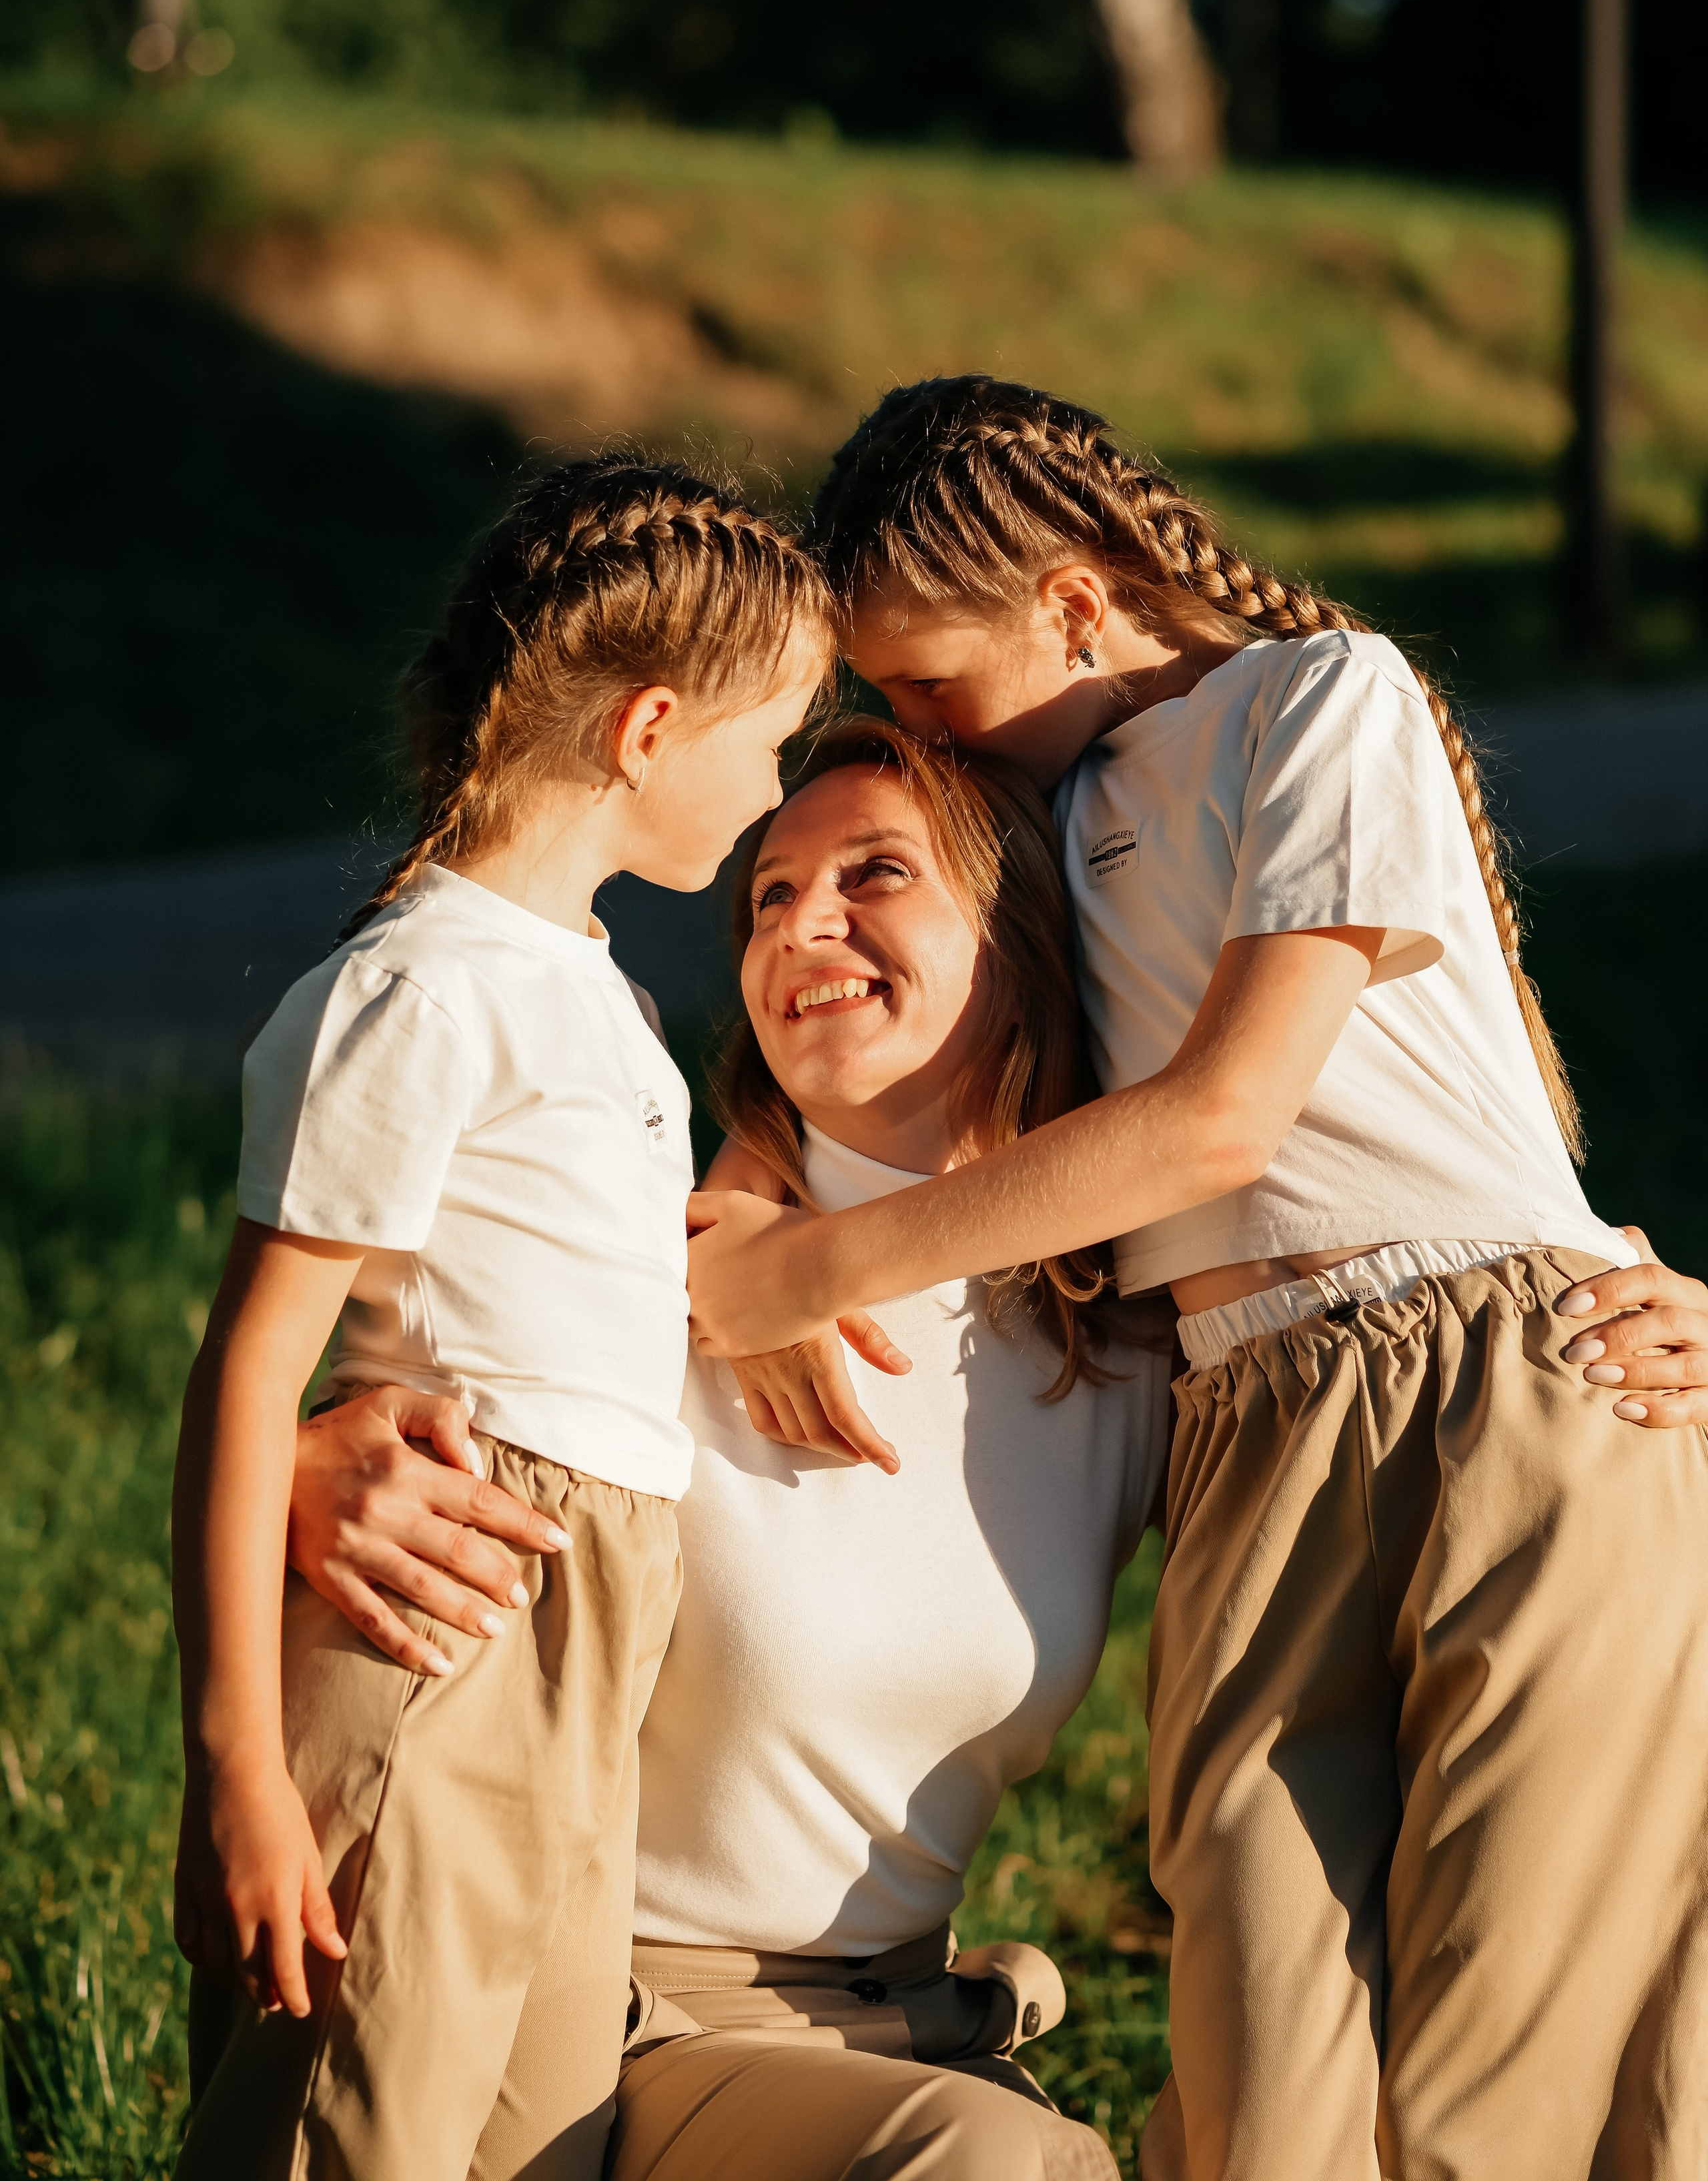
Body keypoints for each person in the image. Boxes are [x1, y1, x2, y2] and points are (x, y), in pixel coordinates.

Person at [687, 376, 1708, 2181]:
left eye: (931, 688)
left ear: (1075, 603)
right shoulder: (1045, 821)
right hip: (1245, 1421)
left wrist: (818, 1266)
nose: (915, 731)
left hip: (1498, 1378)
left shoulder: (1320, 700)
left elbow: (1228, 1115)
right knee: (1264, 2068)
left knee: (1509, 2061)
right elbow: (926, 1056)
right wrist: (747, 1182)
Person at [284, 721, 1170, 2181]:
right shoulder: (644, 1264)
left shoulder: (1119, 1341)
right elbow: (361, 1404)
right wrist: (303, 1464)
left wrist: (1582, 1307)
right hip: (609, 2022)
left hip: (908, 2023)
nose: (801, 923)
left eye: (875, 873)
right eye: (769, 893)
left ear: (1016, 931)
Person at [170, 458, 833, 2181]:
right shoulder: (419, 990)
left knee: (537, 2139)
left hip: (589, 1652)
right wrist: (240, 1767)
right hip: (441, 1640)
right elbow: (253, 1364)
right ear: (647, 730)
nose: (774, 793)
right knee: (356, 2128)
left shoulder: (596, 995)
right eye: (772, 746)